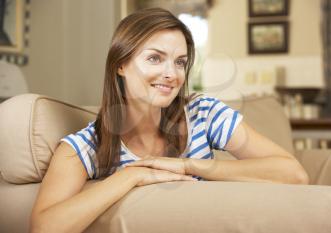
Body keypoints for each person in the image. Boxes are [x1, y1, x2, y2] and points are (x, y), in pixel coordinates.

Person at [30, 7, 309, 233]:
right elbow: (44, 227)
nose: (172, 74)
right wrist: (132, 175)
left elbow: (294, 174)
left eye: (179, 62)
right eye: (155, 58)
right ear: (121, 65)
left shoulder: (205, 113)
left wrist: (189, 165)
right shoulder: (85, 146)